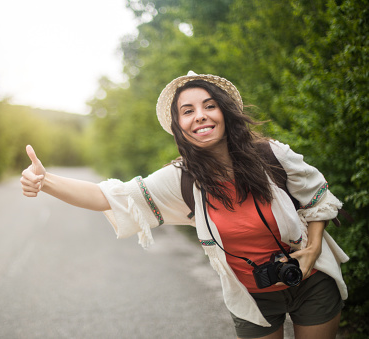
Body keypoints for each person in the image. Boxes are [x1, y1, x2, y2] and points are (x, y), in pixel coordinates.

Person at [20, 71, 348, 339]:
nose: (200, 116)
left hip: (311, 282)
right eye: (188, 111)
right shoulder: (181, 179)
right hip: (251, 296)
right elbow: (110, 196)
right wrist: (46, 181)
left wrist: (314, 245)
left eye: (209, 106)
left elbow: (315, 194)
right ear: (179, 126)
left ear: (225, 112)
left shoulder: (271, 154)